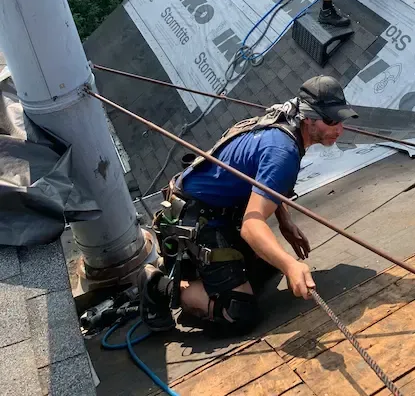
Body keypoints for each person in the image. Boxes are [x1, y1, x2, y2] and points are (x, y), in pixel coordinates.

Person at [139, 76, 358, 335]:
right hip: (196, 218)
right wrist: (291, 265)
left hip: (219, 208)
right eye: (331, 121)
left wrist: (285, 221)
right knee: (238, 312)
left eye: (341, 119)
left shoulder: (285, 125)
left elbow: (264, 181)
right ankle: (159, 284)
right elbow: (251, 227)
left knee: (265, 268)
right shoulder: (283, 152)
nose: (339, 129)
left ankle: (205, 272)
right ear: (308, 118)